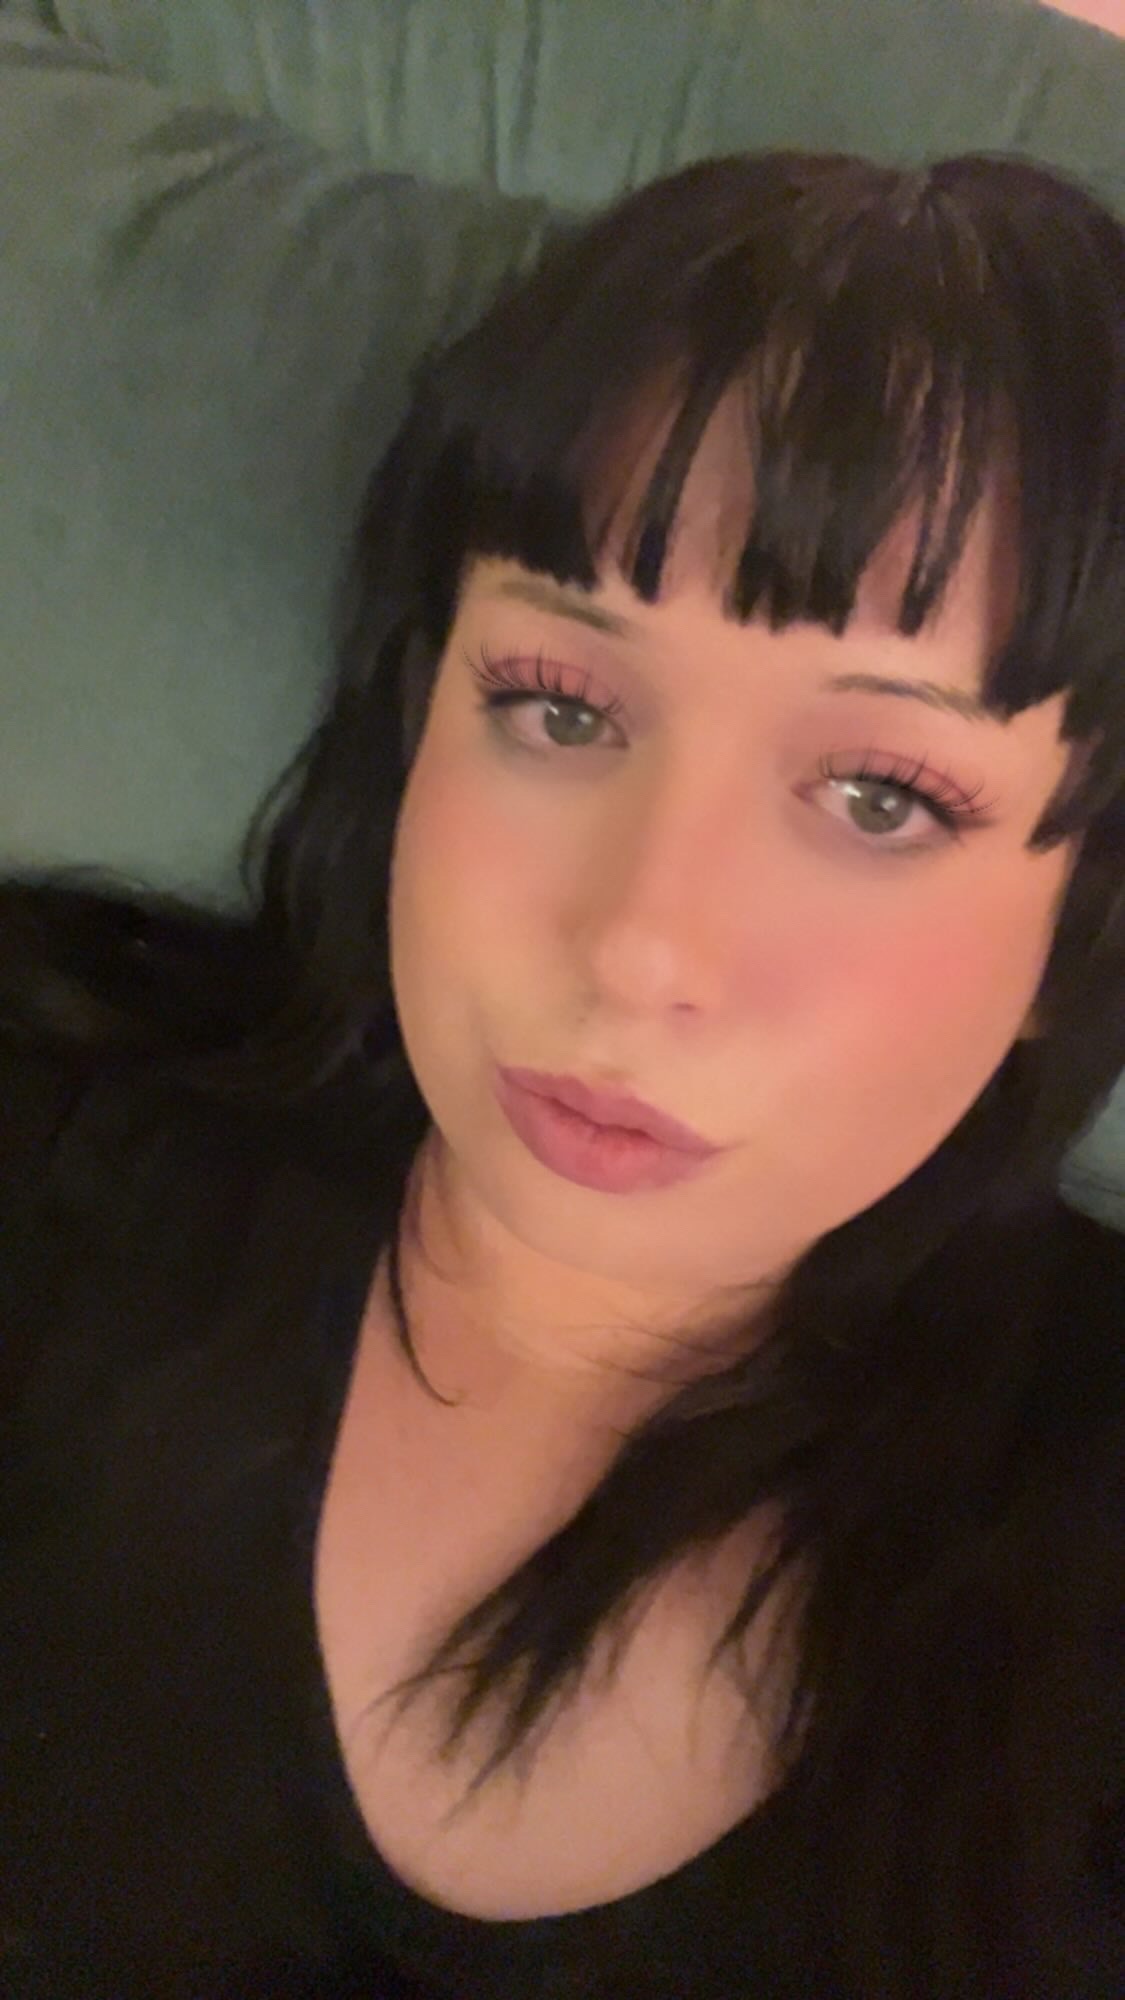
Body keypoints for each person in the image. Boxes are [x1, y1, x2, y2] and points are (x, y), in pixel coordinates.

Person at [1, 148, 1122, 2000]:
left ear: (1079, 917)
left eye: (880, 796)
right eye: (559, 707)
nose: (637, 947)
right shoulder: (57, 1138)